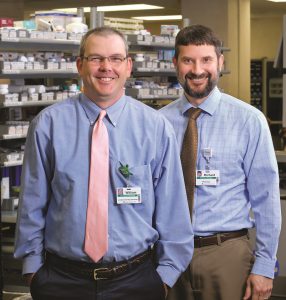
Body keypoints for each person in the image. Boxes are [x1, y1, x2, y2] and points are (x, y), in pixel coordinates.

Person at [14, 27, 194, 300]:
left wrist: (165, 276)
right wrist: (34, 271)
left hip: (136, 279)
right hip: (62, 280)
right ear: (80, 65)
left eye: (115, 59)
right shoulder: (48, 125)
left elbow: (173, 209)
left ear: (128, 66)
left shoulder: (155, 127)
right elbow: (32, 203)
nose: (106, 67)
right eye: (96, 58)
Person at [160, 24, 281, 300]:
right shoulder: (158, 123)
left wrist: (264, 266)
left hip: (227, 254)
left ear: (220, 62)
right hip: (167, 257)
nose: (197, 70)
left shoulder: (249, 121)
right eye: (188, 60)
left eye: (206, 60)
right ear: (175, 63)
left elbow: (266, 200)